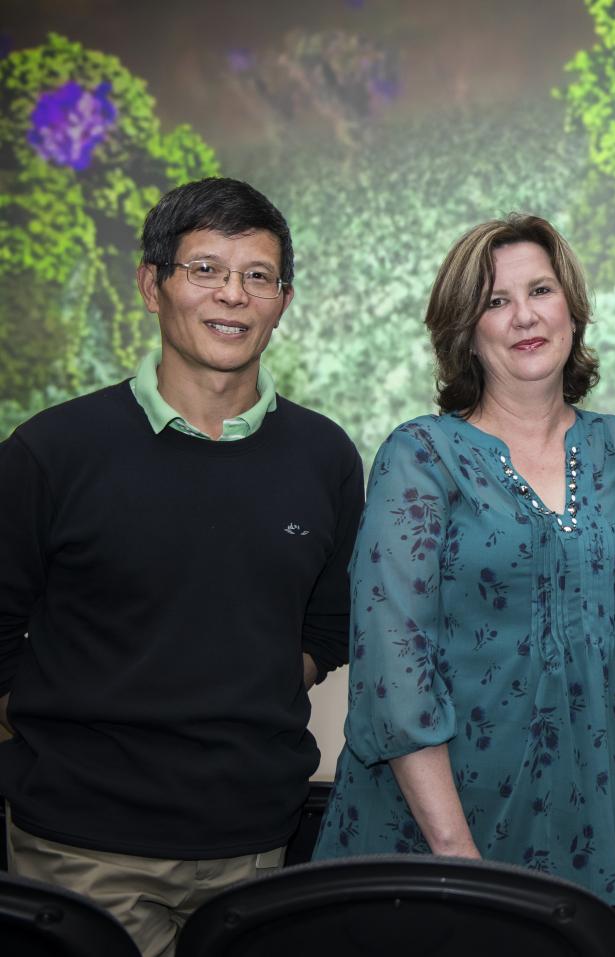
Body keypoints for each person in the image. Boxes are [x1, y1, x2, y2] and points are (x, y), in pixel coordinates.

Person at [0, 177, 363, 957]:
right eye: (205, 269)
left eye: (257, 276)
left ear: (282, 299)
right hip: (82, 850)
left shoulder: (325, 455)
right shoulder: (51, 452)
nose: (232, 295)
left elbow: (329, 624)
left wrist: (244, 683)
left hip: (260, 847)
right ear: (150, 284)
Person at [311, 214, 615, 906]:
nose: (523, 317)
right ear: (465, 331)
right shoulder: (420, 455)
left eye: (540, 290)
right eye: (495, 301)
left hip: (590, 826)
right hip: (438, 834)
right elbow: (394, 670)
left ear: (572, 306)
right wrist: (457, 858)